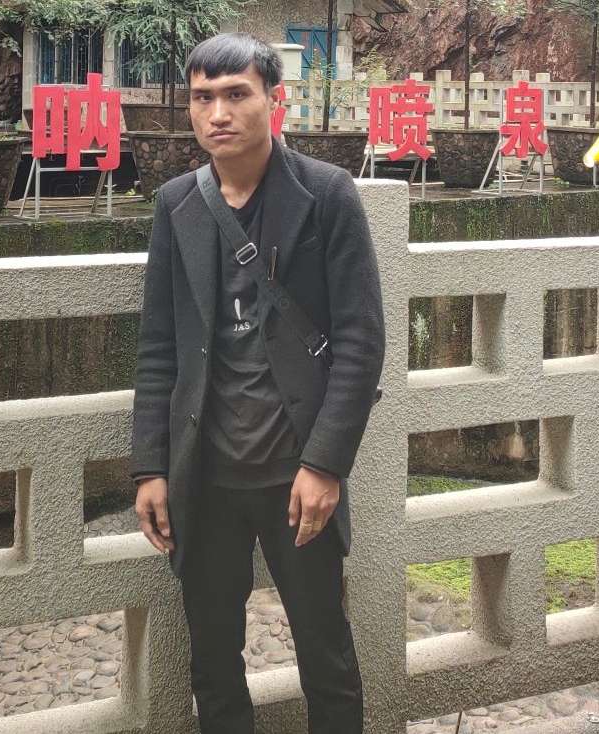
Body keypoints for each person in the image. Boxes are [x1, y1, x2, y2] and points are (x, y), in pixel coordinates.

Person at [129, 31, 385, 734]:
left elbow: (362, 342)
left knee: (325, 652)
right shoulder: (177, 203)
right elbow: (159, 346)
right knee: (213, 662)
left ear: (276, 100)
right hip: (205, 475)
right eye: (202, 97)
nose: (218, 113)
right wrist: (150, 466)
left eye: (236, 94)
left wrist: (325, 464)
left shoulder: (325, 194)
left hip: (296, 473)